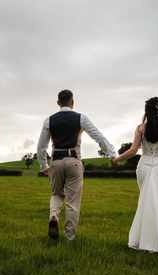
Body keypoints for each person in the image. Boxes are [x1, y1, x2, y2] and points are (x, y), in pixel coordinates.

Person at [37, 89, 116, 241]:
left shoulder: (49, 120)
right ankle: (69, 236)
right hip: (74, 161)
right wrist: (112, 153)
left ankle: (54, 216)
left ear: (58, 102)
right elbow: (98, 136)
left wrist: (43, 166)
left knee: (56, 194)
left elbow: (41, 147)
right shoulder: (81, 118)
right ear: (72, 102)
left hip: (56, 161)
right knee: (72, 201)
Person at [112, 97, 158, 254]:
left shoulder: (140, 128)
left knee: (146, 203)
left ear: (147, 111)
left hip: (144, 167)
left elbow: (132, 150)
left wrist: (117, 159)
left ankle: (147, 240)